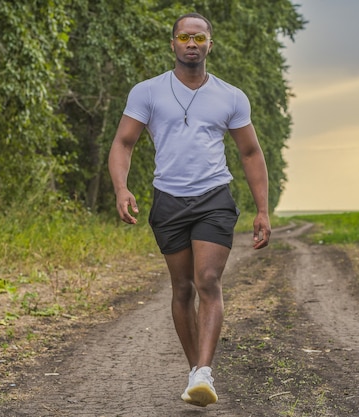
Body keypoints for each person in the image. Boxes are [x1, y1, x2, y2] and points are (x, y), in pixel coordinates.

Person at [108, 12, 271, 407]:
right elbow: (124, 143)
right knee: (181, 288)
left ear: (210, 45)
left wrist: (262, 210)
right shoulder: (147, 92)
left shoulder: (231, 96)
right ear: (173, 44)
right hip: (168, 200)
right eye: (184, 37)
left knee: (208, 280)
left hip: (214, 197)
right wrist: (121, 188)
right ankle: (195, 370)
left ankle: (203, 372)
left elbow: (249, 152)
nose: (192, 43)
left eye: (199, 37)